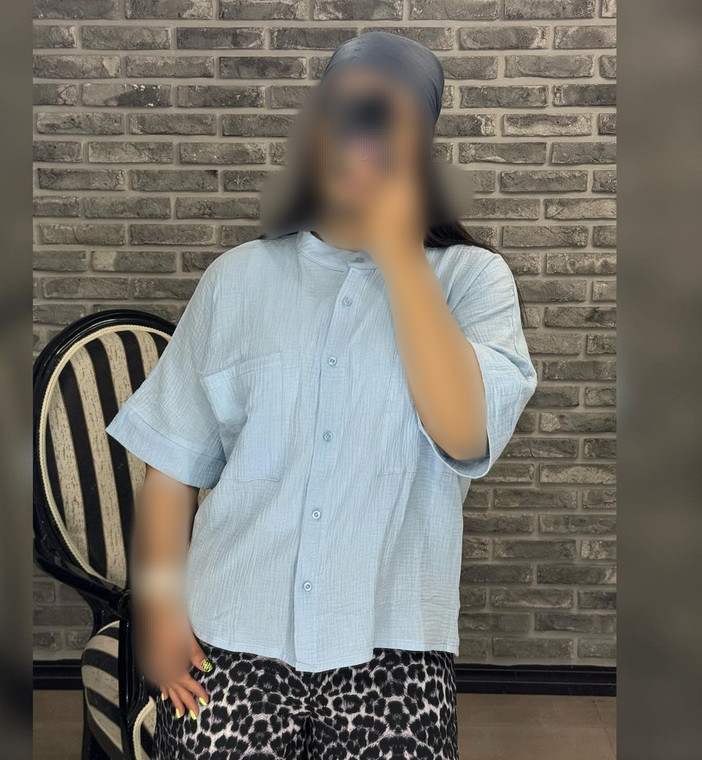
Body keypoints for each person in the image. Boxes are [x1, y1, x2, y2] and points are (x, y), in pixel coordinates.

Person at [106, 31, 537, 760]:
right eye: (341, 111)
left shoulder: (472, 282)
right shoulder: (237, 279)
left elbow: (465, 433)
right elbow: (172, 462)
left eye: (384, 118)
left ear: (420, 146)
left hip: (394, 638)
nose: (357, 137)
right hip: (232, 631)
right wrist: (157, 604)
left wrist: (397, 249)